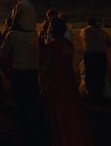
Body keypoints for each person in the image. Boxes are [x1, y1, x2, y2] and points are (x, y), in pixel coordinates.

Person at [42, 18, 94, 146]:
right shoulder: (67, 44)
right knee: (72, 109)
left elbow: (47, 67)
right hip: (69, 79)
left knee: (59, 111)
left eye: (49, 27)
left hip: (57, 80)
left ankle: (64, 138)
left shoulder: (51, 46)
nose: (48, 29)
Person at [1, 14, 42, 141]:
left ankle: (25, 131)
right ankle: (39, 127)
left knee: (21, 102)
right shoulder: (34, 33)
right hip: (33, 70)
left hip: (19, 70)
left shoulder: (12, 34)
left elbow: (3, 51)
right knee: (34, 99)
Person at [80, 17, 111, 100]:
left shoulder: (84, 31)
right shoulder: (100, 31)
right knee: (100, 74)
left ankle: (91, 93)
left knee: (90, 74)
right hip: (100, 54)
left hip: (89, 54)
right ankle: (99, 93)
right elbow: (110, 42)